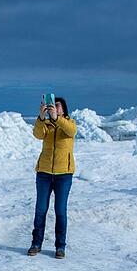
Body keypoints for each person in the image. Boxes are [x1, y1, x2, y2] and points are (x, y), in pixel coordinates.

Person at [28, 96, 77, 258]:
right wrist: (42, 118)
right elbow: (37, 134)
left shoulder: (70, 123)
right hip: (44, 173)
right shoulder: (46, 125)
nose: (54, 108)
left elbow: (71, 132)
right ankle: (36, 244)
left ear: (63, 109)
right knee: (40, 209)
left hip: (64, 174)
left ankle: (60, 247)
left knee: (60, 211)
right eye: (51, 106)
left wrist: (57, 119)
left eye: (57, 106)